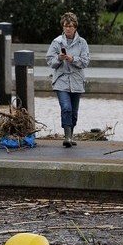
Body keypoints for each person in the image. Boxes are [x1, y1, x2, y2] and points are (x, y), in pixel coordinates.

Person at [46, 12, 90, 148]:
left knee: (74, 111)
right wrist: (59, 58)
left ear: (75, 27)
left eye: (70, 26)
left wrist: (73, 59)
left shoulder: (82, 43)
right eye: (66, 26)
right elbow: (49, 61)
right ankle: (67, 137)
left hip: (77, 81)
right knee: (66, 107)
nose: (68, 29)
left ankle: (71, 135)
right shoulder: (56, 42)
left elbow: (85, 61)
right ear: (63, 27)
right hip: (61, 80)